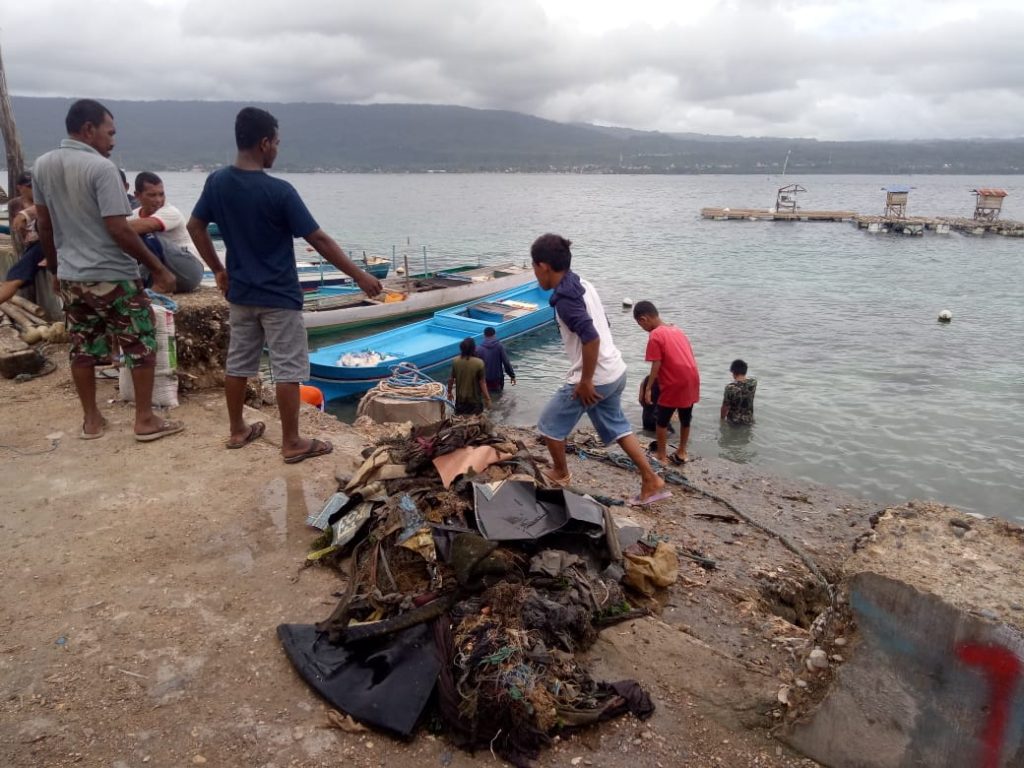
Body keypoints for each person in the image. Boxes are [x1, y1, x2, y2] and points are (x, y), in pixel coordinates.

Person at [187, 106, 382, 462]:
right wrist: (361, 276)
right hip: (279, 296)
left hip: (241, 293)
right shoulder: (280, 192)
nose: (277, 149)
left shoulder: (217, 182)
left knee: (239, 364)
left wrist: (217, 269)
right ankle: (291, 442)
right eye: (276, 142)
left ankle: (237, 430)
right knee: (288, 369)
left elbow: (194, 227)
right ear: (264, 143)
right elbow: (319, 240)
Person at [33, 98, 183, 441]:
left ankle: (92, 420)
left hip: (72, 275)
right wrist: (159, 268)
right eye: (109, 132)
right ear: (89, 129)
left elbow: (44, 224)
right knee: (142, 344)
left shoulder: (42, 165)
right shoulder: (101, 169)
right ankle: (145, 420)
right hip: (112, 274)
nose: (113, 140)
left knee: (82, 347)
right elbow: (118, 228)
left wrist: (56, 269)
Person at [531, 234, 667, 506]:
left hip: (598, 378)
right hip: (615, 369)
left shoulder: (566, 299)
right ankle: (652, 480)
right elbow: (603, 323)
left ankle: (560, 472)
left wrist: (586, 380)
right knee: (618, 428)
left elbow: (591, 338)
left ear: (544, 266)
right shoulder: (581, 282)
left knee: (549, 425)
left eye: (534, 267)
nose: (534, 274)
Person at [633, 301, 700, 465]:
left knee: (661, 421)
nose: (643, 328)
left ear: (644, 319)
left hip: (673, 381)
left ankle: (661, 455)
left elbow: (656, 363)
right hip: (692, 377)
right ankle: (682, 451)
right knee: (686, 417)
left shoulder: (655, 335)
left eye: (640, 325)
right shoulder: (677, 329)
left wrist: (648, 387)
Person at [128, 171, 203, 292]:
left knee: (145, 235)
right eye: (152, 195)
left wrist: (111, 225)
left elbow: (144, 226)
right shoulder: (132, 216)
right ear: (137, 195)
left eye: (161, 194)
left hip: (188, 270)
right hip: (157, 272)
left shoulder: (171, 212)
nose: (158, 200)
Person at [0, 172, 46, 305]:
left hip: (44, 243)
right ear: (20, 187)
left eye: (34, 186)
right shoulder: (15, 204)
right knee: (15, 276)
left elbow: (49, 207)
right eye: (29, 186)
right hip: (32, 245)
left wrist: (25, 214)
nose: (33, 189)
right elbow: (17, 229)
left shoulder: (44, 200)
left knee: (15, 277)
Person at [447, 337, 491, 415]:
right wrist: (487, 398)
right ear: (474, 348)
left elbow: (451, 379)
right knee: (475, 423)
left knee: (460, 421)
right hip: (475, 402)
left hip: (460, 401)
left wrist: (449, 392)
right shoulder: (479, 363)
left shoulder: (455, 361)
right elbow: (482, 383)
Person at [476, 326, 516, 392]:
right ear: (494, 335)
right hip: (497, 379)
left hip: (483, 380)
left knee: (485, 397)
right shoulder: (499, 347)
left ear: (484, 335)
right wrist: (512, 376)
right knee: (499, 397)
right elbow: (506, 362)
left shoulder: (478, 349)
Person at [721, 359, 757, 425]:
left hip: (734, 422)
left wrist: (722, 419)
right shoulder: (753, 383)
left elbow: (725, 406)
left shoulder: (730, 387)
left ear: (733, 372)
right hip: (748, 420)